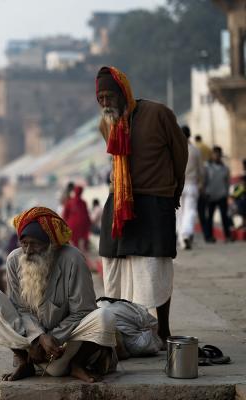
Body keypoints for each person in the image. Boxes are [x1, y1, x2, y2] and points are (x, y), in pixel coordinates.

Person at [95, 66, 187, 344]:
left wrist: (175, 190)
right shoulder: (106, 123)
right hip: (120, 200)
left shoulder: (158, 114)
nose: (105, 103)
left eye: (109, 96)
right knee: (114, 262)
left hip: (155, 198)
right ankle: (125, 326)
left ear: (123, 92)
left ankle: (164, 329)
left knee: (154, 266)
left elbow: (179, 154)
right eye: (100, 99)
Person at [0, 207, 116, 383]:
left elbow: (83, 311)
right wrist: (38, 338)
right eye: (24, 243)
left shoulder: (73, 259)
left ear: (51, 243)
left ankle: (77, 364)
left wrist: (53, 338)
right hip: (30, 345)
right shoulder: (14, 260)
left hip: (63, 346)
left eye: (35, 244)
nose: (28, 251)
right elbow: (19, 308)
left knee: (105, 316)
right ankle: (24, 362)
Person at [176, 126, 204, 250]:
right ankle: (186, 235)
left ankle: (182, 239)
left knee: (179, 213)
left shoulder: (174, 149)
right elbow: (201, 171)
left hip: (178, 186)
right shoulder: (195, 150)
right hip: (192, 185)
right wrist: (201, 184)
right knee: (190, 211)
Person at [203, 146, 232, 242]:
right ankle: (209, 237)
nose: (217, 156)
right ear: (212, 155)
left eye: (218, 155)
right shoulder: (207, 167)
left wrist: (227, 194)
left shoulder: (225, 168)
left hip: (222, 195)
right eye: (215, 154)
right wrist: (204, 192)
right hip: (210, 195)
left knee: (224, 216)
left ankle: (227, 236)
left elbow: (227, 182)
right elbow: (204, 181)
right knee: (209, 217)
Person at [62, 186, 91, 251]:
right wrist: (89, 224)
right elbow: (86, 215)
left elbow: (64, 215)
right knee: (81, 244)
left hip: (72, 225)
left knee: (74, 243)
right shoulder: (83, 203)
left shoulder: (69, 202)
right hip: (82, 225)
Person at [194, 135, 212, 234]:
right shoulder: (206, 147)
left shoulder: (194, 147)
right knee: (205, 210)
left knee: (197, 210)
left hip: (195, 183)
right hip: (204, 179)